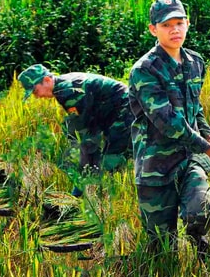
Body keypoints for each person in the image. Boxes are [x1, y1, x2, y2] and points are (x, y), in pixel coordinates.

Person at [128, 0, 210, 260]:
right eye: (166, 25)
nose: (175, 30)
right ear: (153, 29)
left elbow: (196, 107)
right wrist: (209, 149)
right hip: (156, 165)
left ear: (188, 24)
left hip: (190, 159)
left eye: (179, 23)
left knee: (200, 212)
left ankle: (203, 253)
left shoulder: (195, 62)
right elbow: (168, 122)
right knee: (161, 247)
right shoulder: (145, 70)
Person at [18, 64, 134, 195]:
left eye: (35, 91)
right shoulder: (62, 87)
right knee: (105, 155)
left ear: (47, 80)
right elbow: (88, 124)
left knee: (112, 156)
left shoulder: (68, 92)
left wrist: (83, 171)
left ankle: (106, 196)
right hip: (110, 112)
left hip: (125, 108)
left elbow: (86, 135)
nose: (37, 96)